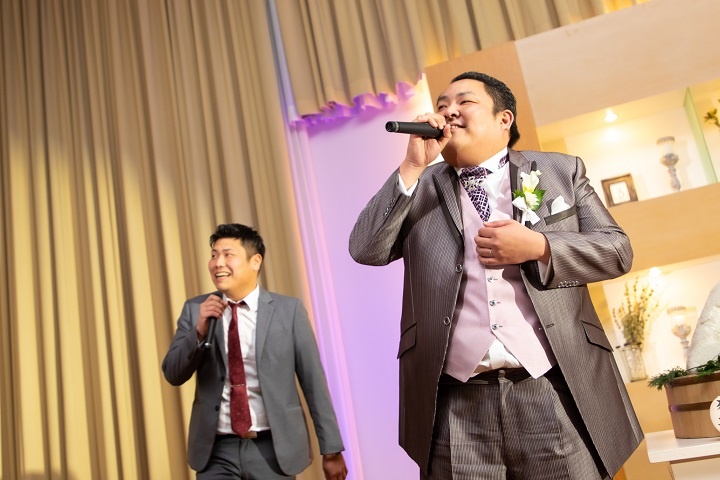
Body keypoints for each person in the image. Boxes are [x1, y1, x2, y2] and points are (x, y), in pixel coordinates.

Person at [349, 72, 643, 479]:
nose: (449, 111)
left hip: (552, 388)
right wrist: (413, 165)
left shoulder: (560, 170)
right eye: (442, 105)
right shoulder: (419, 185)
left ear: (504, 119)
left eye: (464, 102)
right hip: (455, 401)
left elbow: (616, 251)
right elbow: (365, 249)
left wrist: (540, 247)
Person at [163, 223, 348, 480]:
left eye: (228, 254)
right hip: (216, 452)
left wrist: (331, 449)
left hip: (273, 449)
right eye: (214, 255)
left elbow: (313, 382)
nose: (218, 263)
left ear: (255, 261)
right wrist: (199, 331)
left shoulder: (289, 311)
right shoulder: (196, 309)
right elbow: (173, 373)